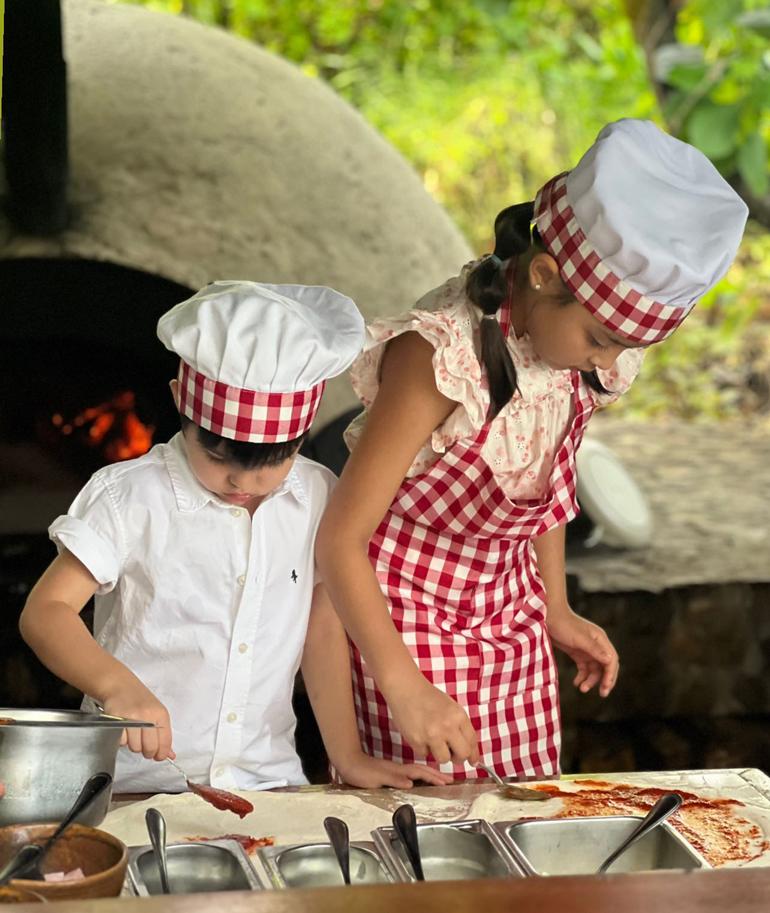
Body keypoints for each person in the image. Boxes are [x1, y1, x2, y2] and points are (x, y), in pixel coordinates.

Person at [316, 119, 749, 780]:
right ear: (545, 274)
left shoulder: (569, 353)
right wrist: (401, 683)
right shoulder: (438, 358)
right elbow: (340, 541)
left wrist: (554, 604)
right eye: (602, 339)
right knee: (437, 847)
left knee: (522, 824)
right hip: (402, 626)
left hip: (510, 621)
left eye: (623, 349)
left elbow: (545, 479)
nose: (608, 361)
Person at [20, 280, 451, 793]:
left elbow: (320, 628)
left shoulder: (318, 497)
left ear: (302, 431)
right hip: (135, 785)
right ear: (182, 401)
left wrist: (347, 756)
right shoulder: (129, 497)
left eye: (273, 461)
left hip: (265, 782)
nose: (244, 482)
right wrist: (116, 687)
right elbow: (46, 613)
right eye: (219, 458)